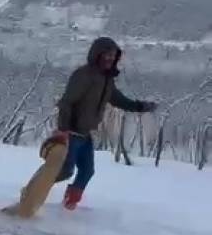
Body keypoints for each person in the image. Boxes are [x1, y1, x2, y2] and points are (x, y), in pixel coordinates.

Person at [56, 36, 156, 209]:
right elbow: (66, 102)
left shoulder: (106, 80)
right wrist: (63, 129)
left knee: (87, 171)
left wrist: (140, 106)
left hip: (85, 134)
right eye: (106, 55)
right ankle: (33, 191)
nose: (110, 59)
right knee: (64, 170)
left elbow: (119, 100)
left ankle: (69, 204)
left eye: (113, 56)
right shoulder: (83, 75)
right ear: (97, 55)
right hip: (71, 133)